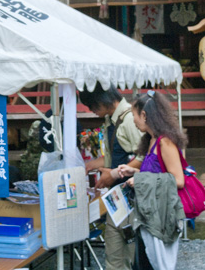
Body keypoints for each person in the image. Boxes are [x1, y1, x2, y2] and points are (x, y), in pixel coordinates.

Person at [113, 91, 186, 270]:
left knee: (152, 264)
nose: (134, 121)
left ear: (144, 115)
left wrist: (140, 180)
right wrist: (135, 171)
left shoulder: (165, 142)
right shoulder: (152, 140)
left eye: (134, 116)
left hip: (159, 216)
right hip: (149, 213)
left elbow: (178, 180)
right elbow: (155, 172)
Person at [79, 84, 144, 270]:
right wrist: (93, 165)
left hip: (132, 196)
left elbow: (144, 157)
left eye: (92, 107)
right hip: (118, 197)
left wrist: (114, 173)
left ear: (101, 101)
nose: (92, 112)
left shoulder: (130, 119)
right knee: (114, 252)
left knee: (130, 254)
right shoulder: (113, 120)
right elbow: (114, 155)